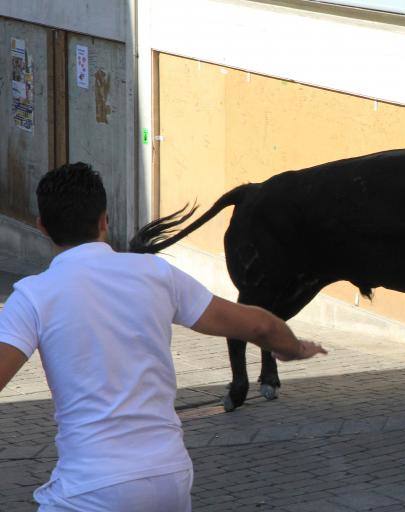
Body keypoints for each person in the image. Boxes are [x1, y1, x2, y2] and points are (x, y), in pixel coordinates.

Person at [0, 163, 327, 511]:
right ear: (104, 221)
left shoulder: (33, 296)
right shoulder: (156, 274)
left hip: (91, 487)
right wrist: (293, 349)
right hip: (169, 478)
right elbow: (259, 325)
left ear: (42, 227)